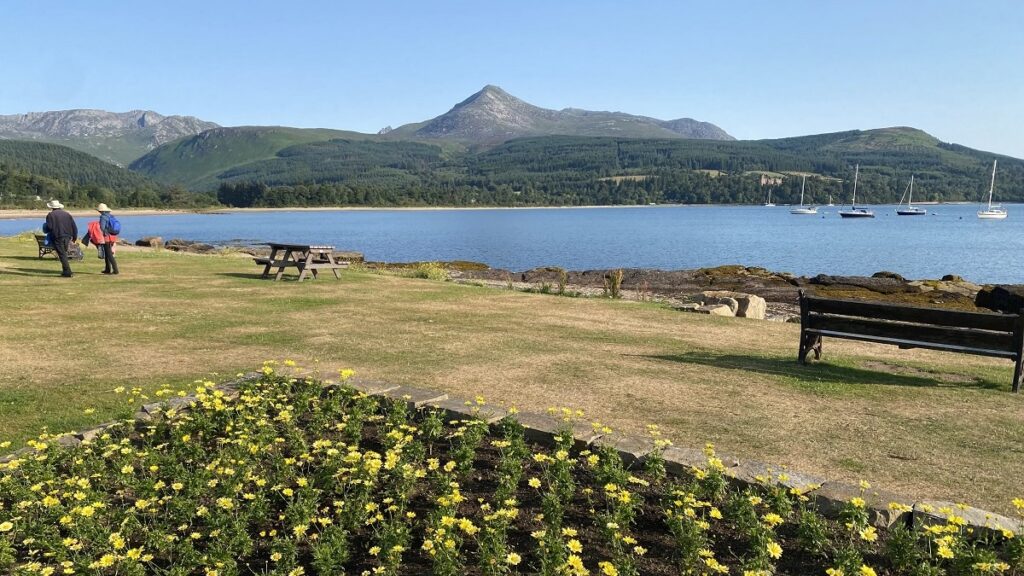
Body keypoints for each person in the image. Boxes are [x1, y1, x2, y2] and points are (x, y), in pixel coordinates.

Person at [42, 200, 78, 277]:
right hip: (68, 236)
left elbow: (49, 227)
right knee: (63, 253)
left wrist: (46, 229)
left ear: (52, 207)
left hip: (58, 236)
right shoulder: (67, 214)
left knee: (62, 254)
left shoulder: (50, 215)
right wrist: (74, 237)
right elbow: (74, 226)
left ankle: (67, 272)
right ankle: (66, 271)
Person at [96, 203, 119, 274]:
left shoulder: (103, 217)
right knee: (107, 253)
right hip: (113, 236)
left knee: (109, 254)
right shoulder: (111, 216)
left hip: (107, 237)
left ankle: (115, 270)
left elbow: (102, 228)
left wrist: (102, 234)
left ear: (101, 211)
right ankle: (107, 269)